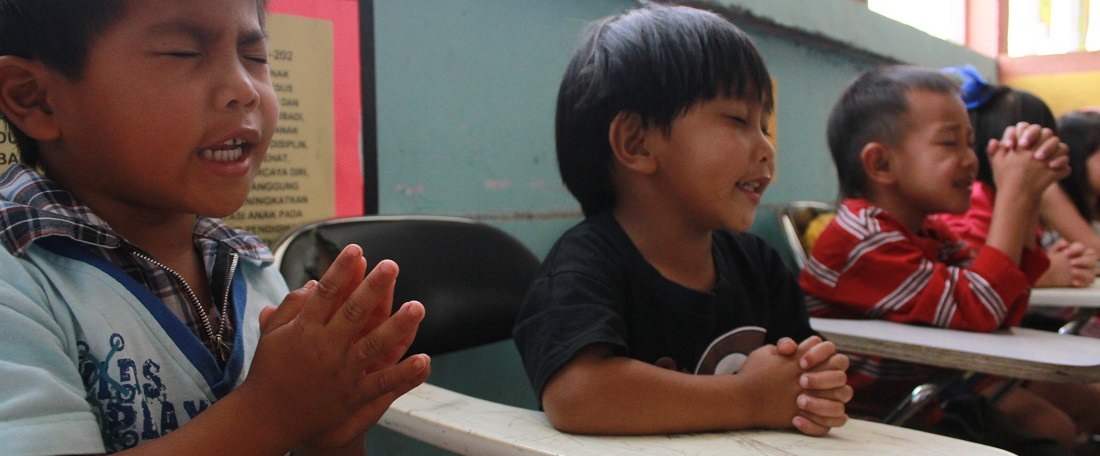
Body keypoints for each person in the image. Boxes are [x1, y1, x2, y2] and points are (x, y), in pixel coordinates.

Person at [0, 1, 430, 454]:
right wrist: (270, 414)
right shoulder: (20, 277)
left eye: (256, 56)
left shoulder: (249, 266)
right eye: (183, 53)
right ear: (37, 99)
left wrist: (332, 420)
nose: (244, 89)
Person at [512, 3, 851, 437]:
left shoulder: (759, 266)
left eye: (765, 126)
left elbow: (795, 377)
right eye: (738, 120)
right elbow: (578, 395)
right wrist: (751, 398)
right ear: (637, 143)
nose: (766, 148)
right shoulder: (584, 265)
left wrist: (816, 385)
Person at [799, 64, 1100, 455]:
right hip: (862, 423)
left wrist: (1028, 193)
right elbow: (982, 306)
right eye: (949, 143)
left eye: (971, 142)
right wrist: (1015, 195)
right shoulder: (862, 237)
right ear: (881, 164)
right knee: (1049, 435)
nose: (972, 159)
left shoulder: (928, 233)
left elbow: (1003, 306)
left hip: (925, 404)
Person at [936, 65, 1097, 290]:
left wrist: (1055, 263)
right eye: (948, 144)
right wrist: (1047, 275)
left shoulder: (1019, 199)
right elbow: (971, 280)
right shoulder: (973, 201)